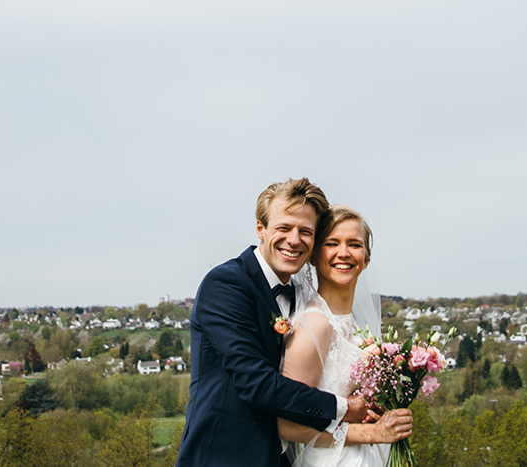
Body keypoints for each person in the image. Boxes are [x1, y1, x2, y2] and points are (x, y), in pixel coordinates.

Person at [176, 179, 370, 467]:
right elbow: (256, 383)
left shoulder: (304, 295)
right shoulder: (226, 284)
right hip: (223, 456)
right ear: (261, 229)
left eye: (306, 231)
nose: (294, 240)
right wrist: (343, 407)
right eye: (284, 228)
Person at [278, 205, 412, 467]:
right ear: (314, 255)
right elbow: (288, 425)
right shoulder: (315, 323)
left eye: (354, 244)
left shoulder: (354, 325)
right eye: (332, 243)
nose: (344, 253)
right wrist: (373, 433)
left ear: (366, 258)